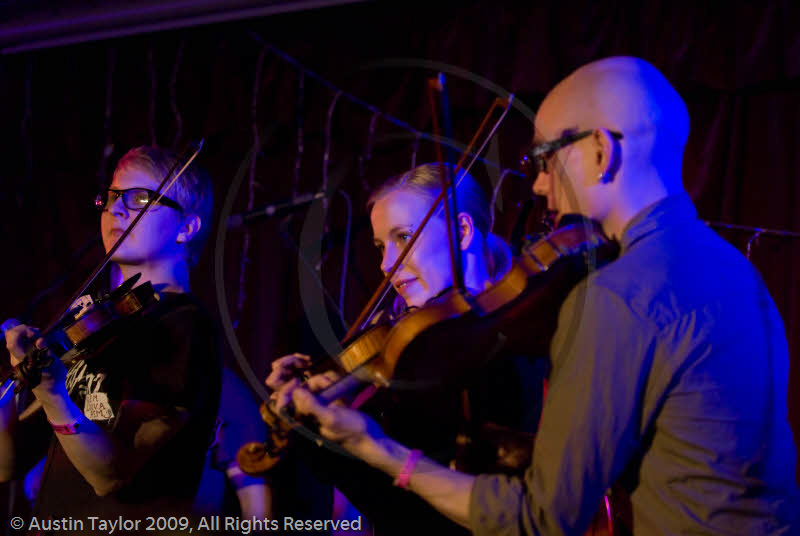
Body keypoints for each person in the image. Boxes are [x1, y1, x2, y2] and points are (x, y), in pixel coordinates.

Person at [275, 57, 800, 534]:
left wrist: (375, 448)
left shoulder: (617, 296)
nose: (539, 186)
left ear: (601, 151)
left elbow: (543, 519)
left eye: (545, 158)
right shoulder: (736, 271)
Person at [267, 163, 546, 535]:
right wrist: (310, 422)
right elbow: (383, 499)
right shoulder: (406, 347)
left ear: (462, 231)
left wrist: (359, 442)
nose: (386, 265)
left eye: (404, 238)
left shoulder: (518, 344)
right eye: (382, 246)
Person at [1, 146, 221, 531]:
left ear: (187, 228)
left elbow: (110, 474)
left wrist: (53, 393)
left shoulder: (185, 326)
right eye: (113, 197)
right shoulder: (97, 324)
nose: (116, 210)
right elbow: (7, 464)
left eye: (139, 199)